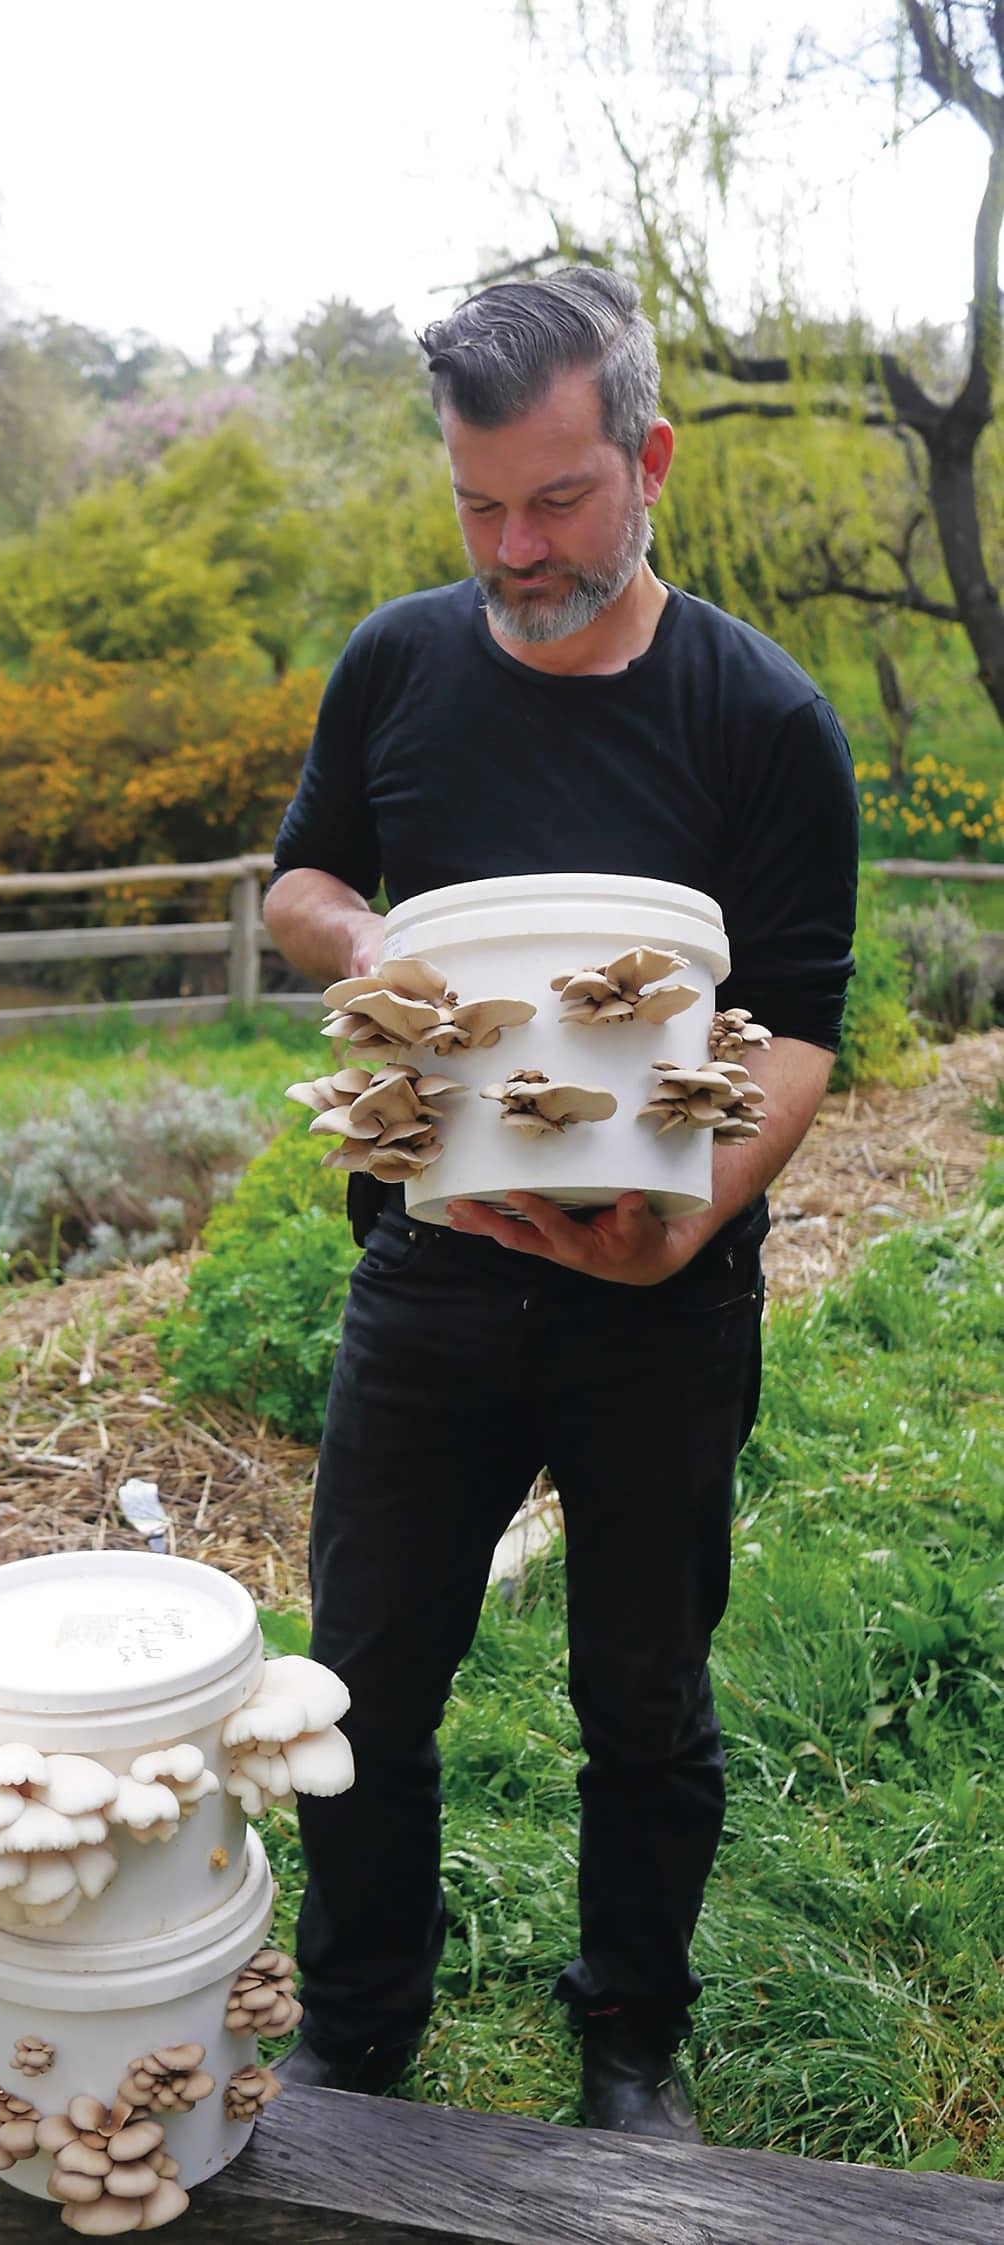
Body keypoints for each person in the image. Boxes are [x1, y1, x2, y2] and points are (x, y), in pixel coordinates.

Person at [261, 267, 859, 2143]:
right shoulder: (397, 663)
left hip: (657, 1304)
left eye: (559, 502)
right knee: (358, 1682)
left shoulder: (763, 718)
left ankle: (630, 2042)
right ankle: (358, 2028)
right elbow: (297, 881)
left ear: (650, 458)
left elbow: (807, 1035)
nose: (517, 551)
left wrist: (687, 1219)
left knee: (645, 1699)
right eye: (477, 508)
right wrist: (372, 937)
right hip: (429, 1275)